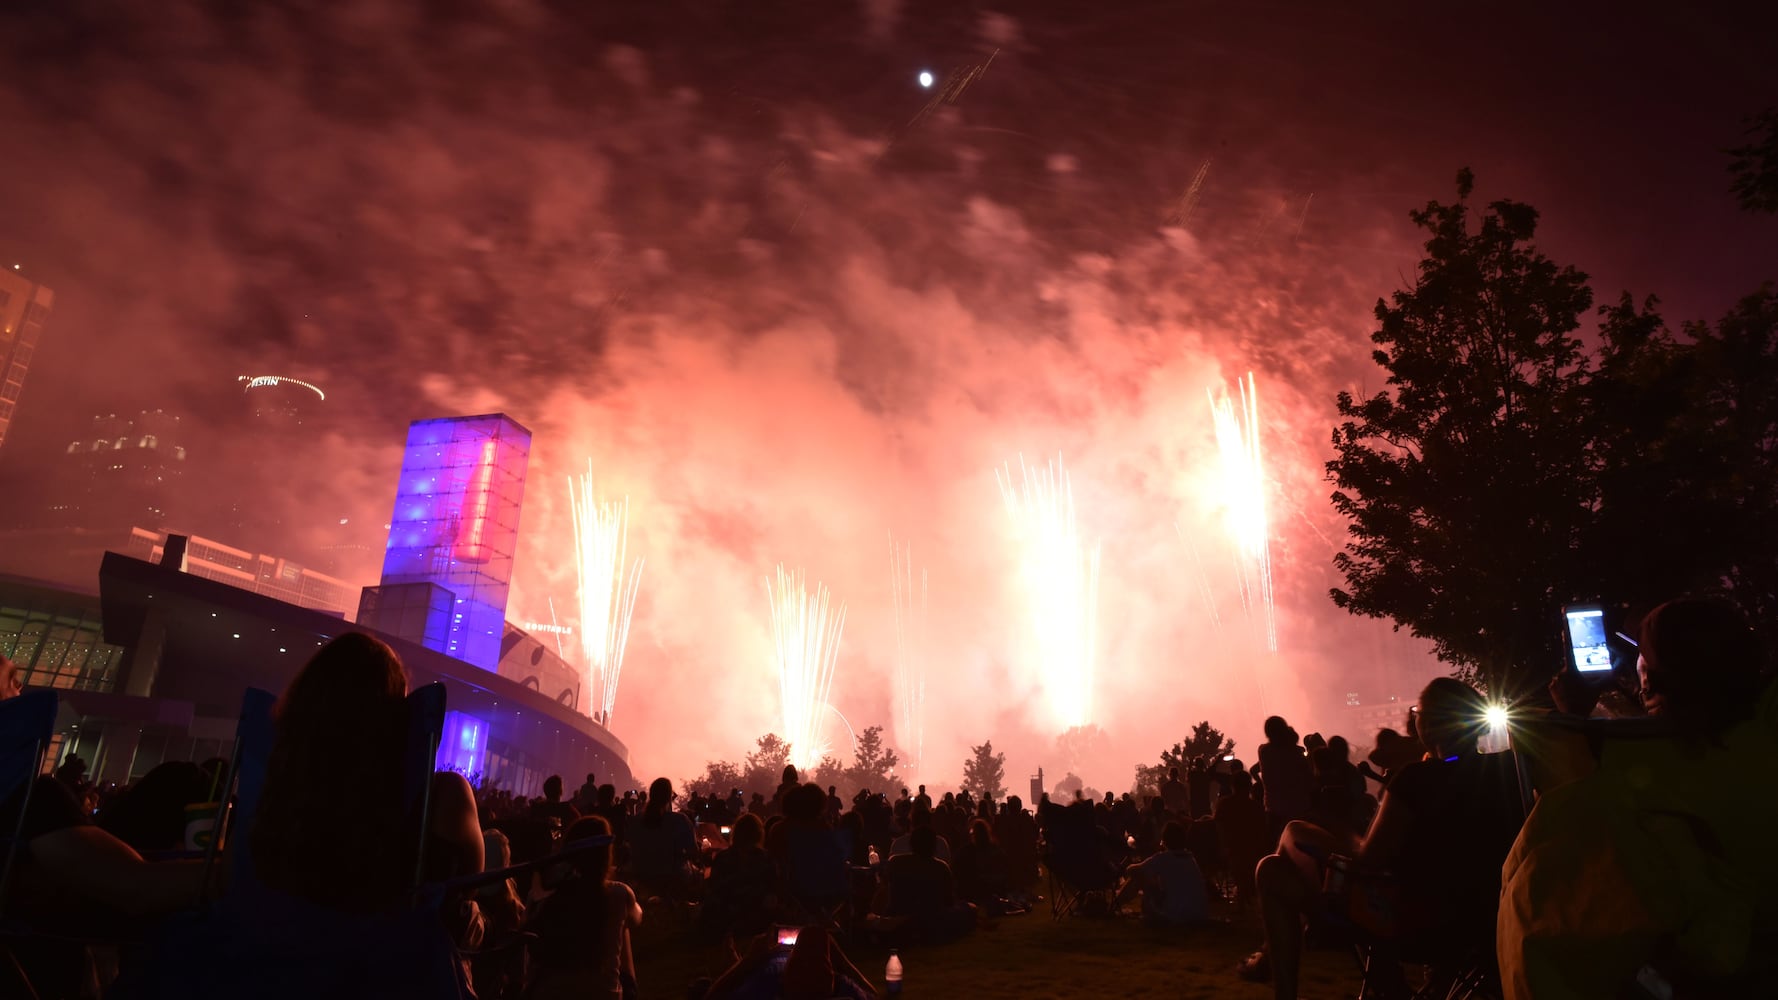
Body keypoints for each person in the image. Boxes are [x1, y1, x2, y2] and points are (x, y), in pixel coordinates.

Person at [1241, 677, 1522, 1000]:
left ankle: (1284, 983)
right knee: (1279, 865)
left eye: (1418, 712)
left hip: (1409, 924)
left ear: (1428, 724)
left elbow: (1369, 858)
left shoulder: (1416, 779)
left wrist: (1341, 832)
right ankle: (1387, 985)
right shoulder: (1506, 771)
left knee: (1280, 854)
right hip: (1485, 920)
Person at [252, 633, 483, 911]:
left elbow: (235, 871)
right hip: (389, 948)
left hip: (269, 941)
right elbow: (466, 887)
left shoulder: (273, 782)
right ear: (398, 716)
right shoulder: (443, 797)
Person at [525, 815, 642, 1000]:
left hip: (548, 992)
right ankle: (630, 992)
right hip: (604, 994)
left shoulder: (548, 895)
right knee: (623, 924)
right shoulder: (619, 893)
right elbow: (637, 918)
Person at [878, 826, 975, 943]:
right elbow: (949, 901)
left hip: (899, 915)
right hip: (932, 920)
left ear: (912, 844)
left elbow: (884, 886)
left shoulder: (895, 862)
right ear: (933, 846)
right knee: (969, 908)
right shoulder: (941, 867)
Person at [1116, 820, 1210, 925]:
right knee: (1145, 877)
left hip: (1176, 915)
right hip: (1199, 914)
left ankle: (1114, 907)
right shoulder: (1190, 858)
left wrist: (1134, 866)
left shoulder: (1164, 858)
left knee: (1138, 877)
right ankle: (1115, 907)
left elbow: (1131, 870)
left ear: (1164, 840)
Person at [624, 777, 698, 903]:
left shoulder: (636, 821)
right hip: (673, 877)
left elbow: (630, 845)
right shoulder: (680, 820)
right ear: (670, 798)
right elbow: (693, 851)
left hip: (641, 874)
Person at [1253, 716, 1313, 842]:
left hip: (1274, 808)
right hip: (1299, 806)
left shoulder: (1264, 751)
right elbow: (1307, 775)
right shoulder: (1297, 751)